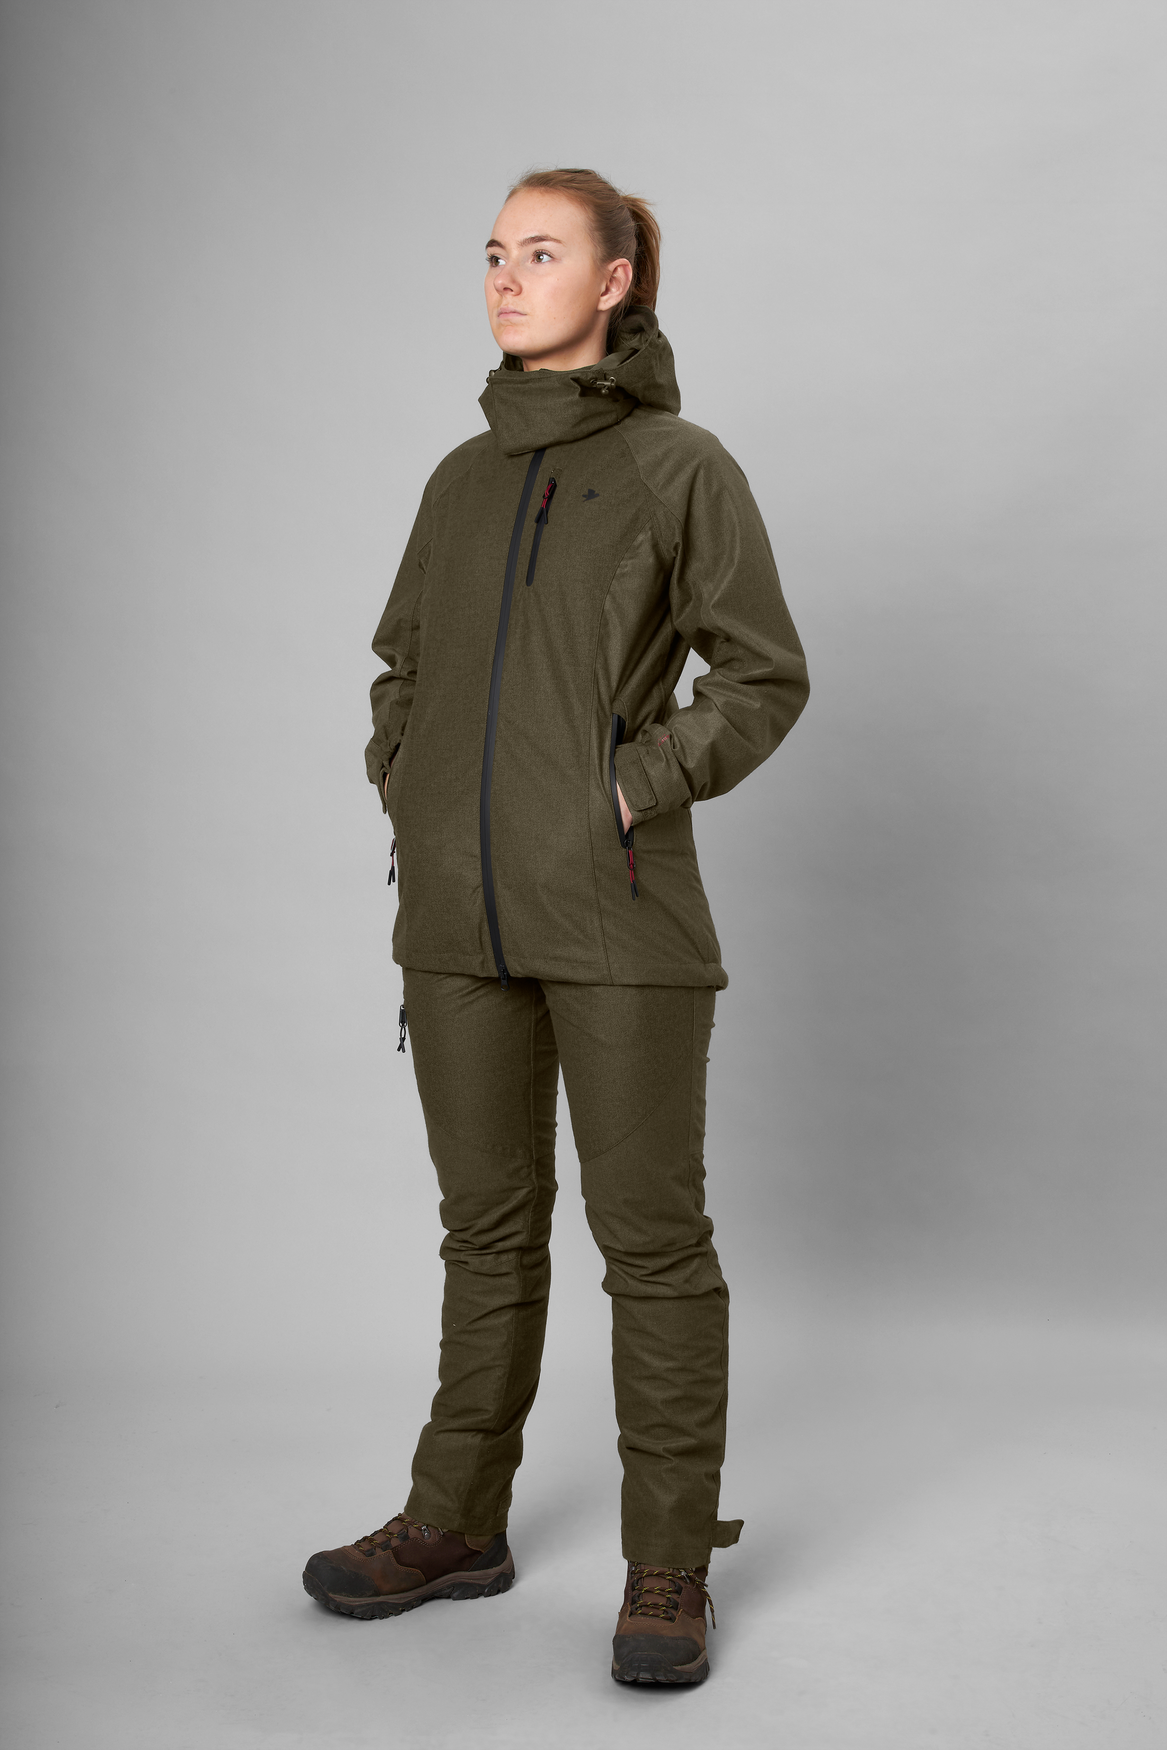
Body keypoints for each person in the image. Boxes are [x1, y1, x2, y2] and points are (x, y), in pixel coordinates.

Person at [302, 167, 809, 1687]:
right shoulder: (459, 480)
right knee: (485, 1229)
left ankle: (669, 1563)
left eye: (540, 252)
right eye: (493, 253)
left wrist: (629, 788)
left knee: (650, 1241)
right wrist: (405, 775)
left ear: (616, 280)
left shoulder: (680, 468)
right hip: (455, 922)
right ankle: (454, 1522)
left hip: (618, 913)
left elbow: (761, 674)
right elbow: (401, 662)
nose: (506, 278)